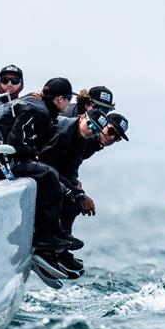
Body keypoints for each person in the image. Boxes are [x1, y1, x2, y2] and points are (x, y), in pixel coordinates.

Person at [0, 77, 79, 252]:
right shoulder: (38, 111)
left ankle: (57, 231)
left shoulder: (37, 104)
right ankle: (44, 236)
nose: (69, 104)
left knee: (53, 176)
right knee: (49, 176)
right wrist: (33, 154)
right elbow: (16, 142)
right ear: (60, 99)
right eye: (68, 99)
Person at [35, 108, 110, 277]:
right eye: (90, 124)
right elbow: (45, 163)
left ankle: (60, 249)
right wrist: (72, 190)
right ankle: (46, 247)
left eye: (97, 129)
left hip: (50, 171)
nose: (92, 130)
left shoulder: (83, 138)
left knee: (75, 202)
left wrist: (78, 192)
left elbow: (71, 168)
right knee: (61, 193)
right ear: (83, 116)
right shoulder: (63, 131)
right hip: (36, 167)